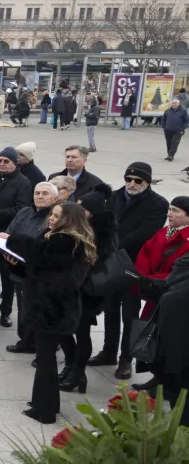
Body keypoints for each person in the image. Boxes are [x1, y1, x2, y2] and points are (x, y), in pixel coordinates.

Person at [3, 202, 95, 424]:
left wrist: (12, 239)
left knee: (46, 359)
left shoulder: (65, 241)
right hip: (49, 306)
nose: (51, 218)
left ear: (69, 219)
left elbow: (39, 257)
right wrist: (15, 264)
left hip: (53, 308)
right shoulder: (56, 237)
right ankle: (43, 403)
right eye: (51, 214)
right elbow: (36, 268)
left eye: (56, 215)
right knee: (46, 358)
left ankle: (45, 410)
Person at [87, 162, 169, 379]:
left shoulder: (158, 203)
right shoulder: (113, 197)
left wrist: (115, 246)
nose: (132, 184)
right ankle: (108, 351)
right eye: (128, 179)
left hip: (134, 266)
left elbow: (146, 232)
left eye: (138, 180)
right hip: (110, 262)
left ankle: (126, 359)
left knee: (130, 315)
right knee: (111, 309)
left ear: (147, 182)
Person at [56, 184, 116, 393]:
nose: (79, 209)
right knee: (63, 330)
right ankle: (71, 366)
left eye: (84, 207)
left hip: (87, 291)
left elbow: (98, 261)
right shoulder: (79, 225)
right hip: (70, 287)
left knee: (81, 332)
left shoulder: (103, 231)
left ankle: (77, 372)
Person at [129, 196, 189, 393]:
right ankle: (156, 377)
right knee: (152, 336)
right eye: (170, 209)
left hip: (169, 293)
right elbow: (145, 254)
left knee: (166, 341)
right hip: (154, 290)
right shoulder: (164, 232)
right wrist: (143, 276)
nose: (170, 214)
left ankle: (164, 382)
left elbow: (179, 271)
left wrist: (154, 280)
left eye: (176, 211)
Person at [3, 182, 61, 355]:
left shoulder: (54, 217)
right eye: (37, 193)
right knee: (23, 308)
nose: (40, 196)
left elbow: (42, 244)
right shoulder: (24, 212)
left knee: (41, 311)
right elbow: (10, 232)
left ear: (55, 198)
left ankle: (44, 349)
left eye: (45, 193)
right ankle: (26, 340)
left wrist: (17, 243)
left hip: (41, 274)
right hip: (19, 269)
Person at [0, 147, 33, 327]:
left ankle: (6, 311)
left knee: (8, 277)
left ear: (15, 163)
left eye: (7, 161)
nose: (2, 164)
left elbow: (21, 208)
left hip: (8, 236)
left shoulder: (23, 182)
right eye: (0, 161)